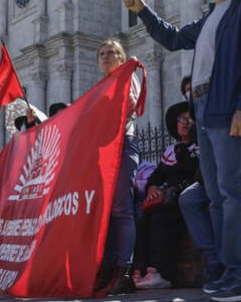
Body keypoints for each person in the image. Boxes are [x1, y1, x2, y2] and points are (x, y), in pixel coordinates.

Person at [124, 0, 241, 301]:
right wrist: (143, 11)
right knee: (217, 195)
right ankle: (229, 270)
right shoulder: (210, 17)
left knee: (237, 192)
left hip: (229, 105)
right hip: (204, 107)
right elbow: (174, 39)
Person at [93, 39, 141, 295]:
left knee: (122, 208)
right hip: (104, 151)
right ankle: (108, 268)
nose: (106, 56)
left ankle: (124, 270)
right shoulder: (99, 87)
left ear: (121, 58)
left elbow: (130, 106)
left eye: (112, 52)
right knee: (108, 212)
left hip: (123, 144)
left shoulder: (126, 76)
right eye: (102, 53)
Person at [135, 102, 198, 289]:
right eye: (181, 120)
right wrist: (153, 187)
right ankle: (140, 270)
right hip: (167, 198)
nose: (185, 123)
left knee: (161, 220)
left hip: (183, 194)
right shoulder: (170, 150)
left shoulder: (199, 147)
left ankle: (160, 272)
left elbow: (191, 170)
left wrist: (185, 149)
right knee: (142, 219)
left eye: (189, 119)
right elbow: (157, 175)